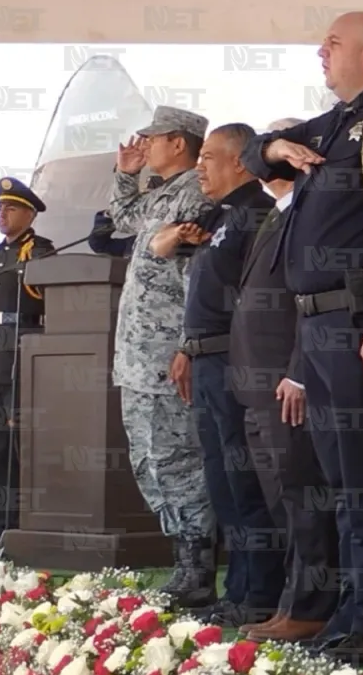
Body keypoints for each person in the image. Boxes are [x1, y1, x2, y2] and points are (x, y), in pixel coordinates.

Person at [240, 11, 363, 667]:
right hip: (313, 322)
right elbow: (258, 148)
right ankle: (349, 606)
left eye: (332, 42)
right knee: (337, 475)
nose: (320, 51)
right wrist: (278, 150)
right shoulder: (334, 122)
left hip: (353, 315)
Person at [151, 123, 284, 628]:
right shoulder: (219, 214)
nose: (200, 167)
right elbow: (161, 248)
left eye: (209, 157)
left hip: (237, 359)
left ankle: (260, 592)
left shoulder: (257, 213)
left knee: (245, 479)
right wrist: (188, 347)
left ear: (241, 163)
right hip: (204, 358)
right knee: (221, 480)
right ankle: (238, 587)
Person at [232, 117, 340, 645]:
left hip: (286, 382)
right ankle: (291, 602)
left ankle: (312, 605)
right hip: (256, 385)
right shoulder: (275, 215)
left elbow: (306, 305)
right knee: (284, 500)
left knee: (304, 496)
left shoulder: (306, 215)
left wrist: (298, 372)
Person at [108, 106, 218, 607]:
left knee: (178, 461)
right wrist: (126, 177)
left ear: (180, 143)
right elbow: (123, 221)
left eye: (153, 139)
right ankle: (183, 559)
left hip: (166, 351)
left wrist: (186, 345)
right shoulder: (163, 193)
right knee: (149, 460)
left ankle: (197, 568)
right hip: (137, 355)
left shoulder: (196, 192)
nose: (145, 145)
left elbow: (194, 276)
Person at [0, 178, 55, 545]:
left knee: (19, 447)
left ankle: (22, 527)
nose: (2, 215)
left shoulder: (39, 251)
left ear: (29, 213)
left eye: (10, 208)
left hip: (23, 359)